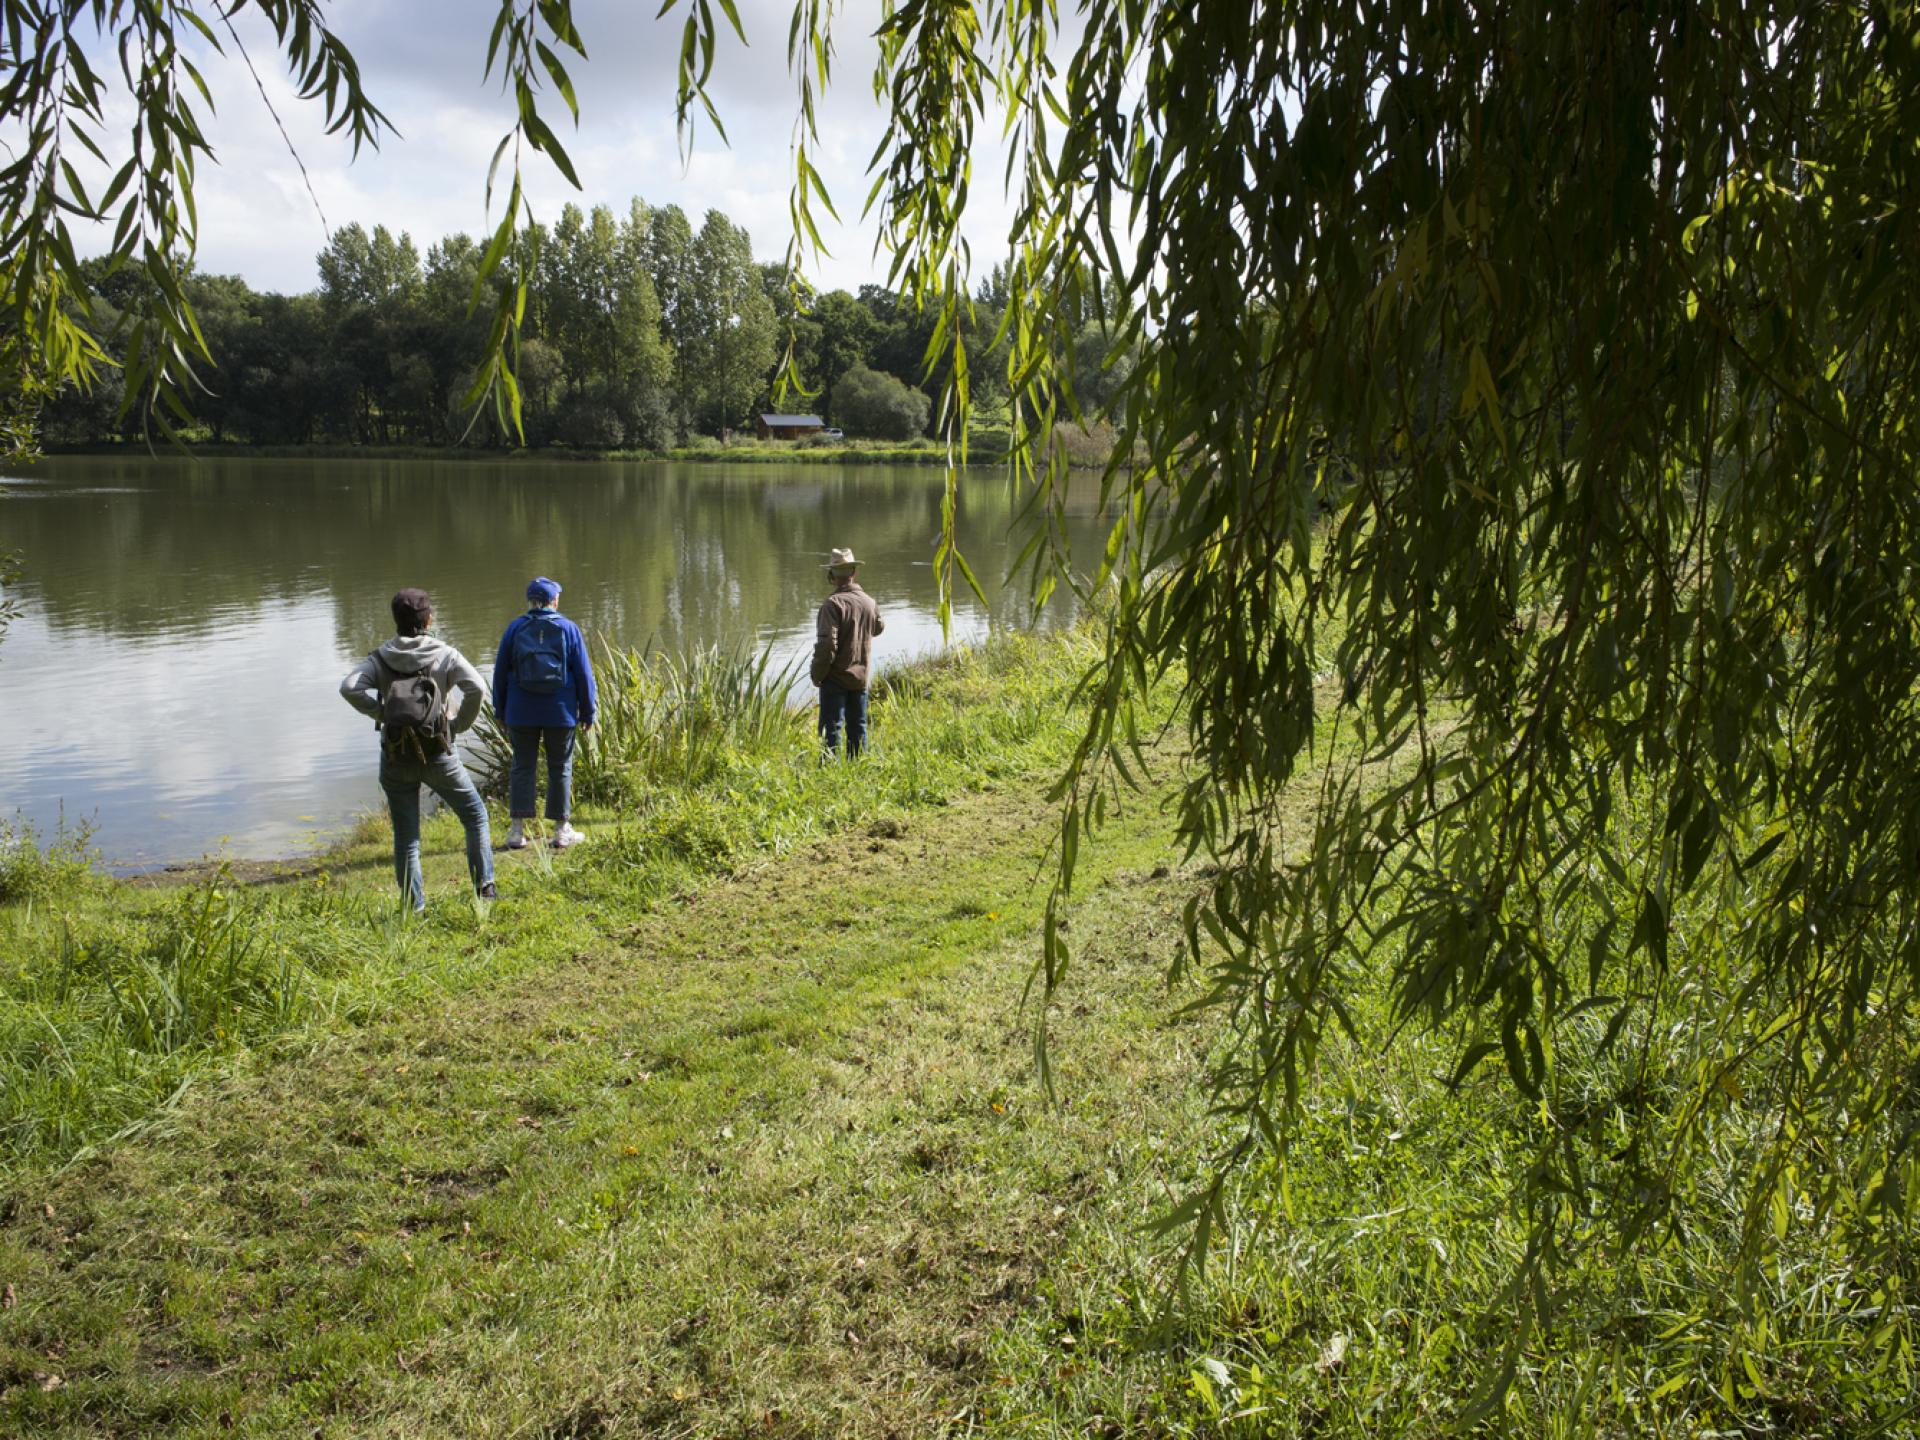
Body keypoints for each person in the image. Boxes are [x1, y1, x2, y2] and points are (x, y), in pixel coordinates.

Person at [339, 587, 496, 912]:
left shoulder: (380, 658)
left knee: (407, 835)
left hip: (396, 756)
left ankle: (414, 907)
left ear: (396, 620)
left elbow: (349, 687)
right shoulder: (444, 654)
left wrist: (381, 713)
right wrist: (457, 725)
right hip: (439, 751)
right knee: (475, 816)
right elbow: (477, 687)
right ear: (428, 619)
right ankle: (485, 890)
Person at [492, 576, 597, 849]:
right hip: (559, 712)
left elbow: (500, 673)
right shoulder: (569, 629)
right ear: (554, 600)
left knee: (522, 767)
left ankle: (517, 832)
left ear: (530, 601)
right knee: (560, 767)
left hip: (521, 711)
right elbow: (584, 675)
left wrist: (500, 711)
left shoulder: (514, 628)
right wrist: (588, 712)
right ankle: (561, 831)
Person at [812, 546, 885, 756]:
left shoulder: (832, 604)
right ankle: (858, 768)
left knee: (831, 729)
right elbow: (879, 628)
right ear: (853, 572)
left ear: (832, 575)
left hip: (835, 678)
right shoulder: (869, 602)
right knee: (858, 727)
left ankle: (829, 774)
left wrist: (817, 673)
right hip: (860, 676)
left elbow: (827, 646)